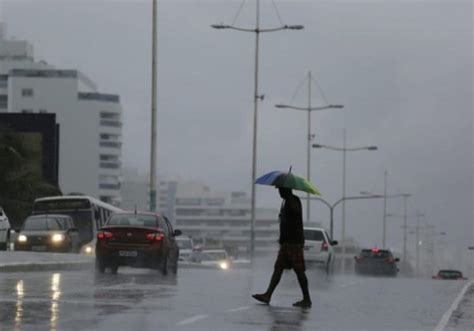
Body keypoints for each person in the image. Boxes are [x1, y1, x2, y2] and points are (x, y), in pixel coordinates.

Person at [252, 187, 312, 308]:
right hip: (286, 243)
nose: (279, 192)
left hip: (294, 243)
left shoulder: (294, 201)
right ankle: (268, 295)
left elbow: (295, 213)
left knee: (299, 271)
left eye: (280, 190)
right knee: (278, 268)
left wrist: (288, 203)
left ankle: (307, 299)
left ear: (286, 190)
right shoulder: (286, 202)